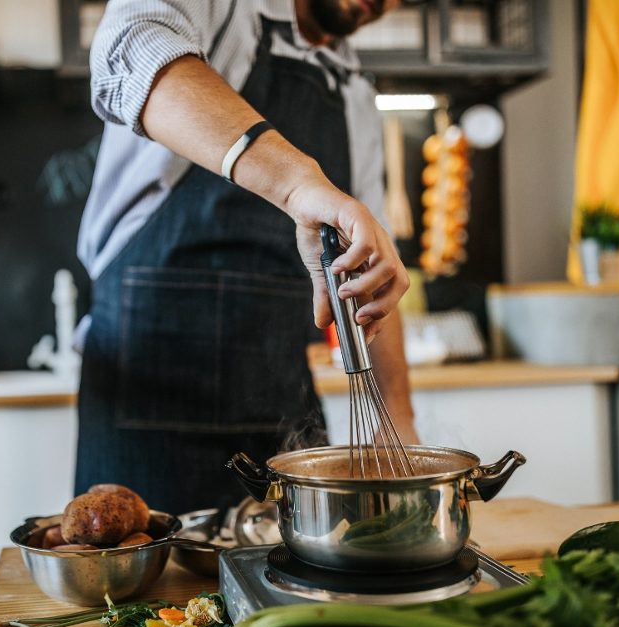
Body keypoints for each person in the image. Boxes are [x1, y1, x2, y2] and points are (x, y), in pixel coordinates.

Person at [75, 0, 418, 514]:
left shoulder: (355, 97)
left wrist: (402, 428)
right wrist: (298, 183)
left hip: (281, 402)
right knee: (138, 593)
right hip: (146, 394)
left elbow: (370, 269)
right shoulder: (224, 10)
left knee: (305, 585)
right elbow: (134, 43)